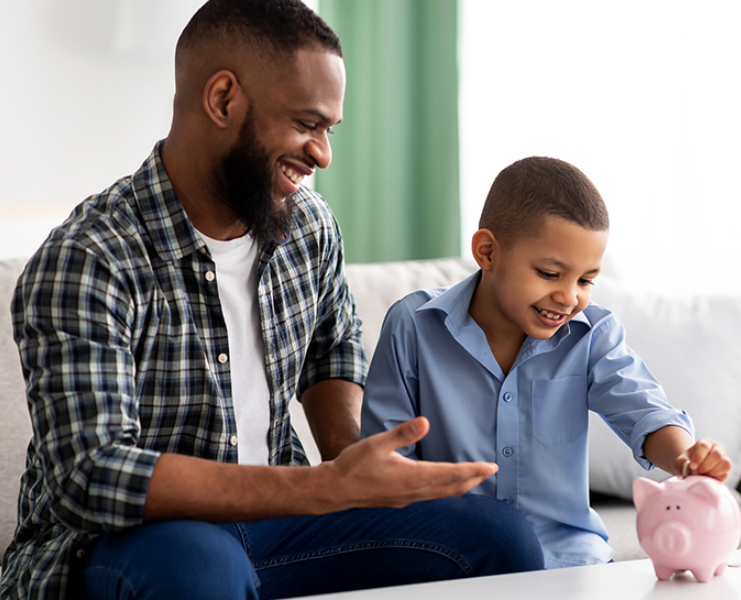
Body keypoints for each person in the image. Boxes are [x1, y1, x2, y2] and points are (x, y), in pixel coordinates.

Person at [0, 2, 546, 599]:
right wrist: (324, 488)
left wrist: (359, 468)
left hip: (277, 530)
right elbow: (92, 474)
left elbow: (331, 351)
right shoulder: (90, 259)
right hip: (124, 546)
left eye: (329, 130)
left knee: (502, 538)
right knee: (199, 567)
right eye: (307, 124)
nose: (322, 154)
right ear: (224, 100)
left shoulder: (307, 227)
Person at [361, 156, 733, 570]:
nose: (570, 297)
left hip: (570, 561)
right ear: (487, 252)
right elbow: (385, 465)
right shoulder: (413, 325)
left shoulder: (593, 336)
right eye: (550, 273)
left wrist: (687, 459)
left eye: (586, 280)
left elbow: (645, 411)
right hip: (455, 555)